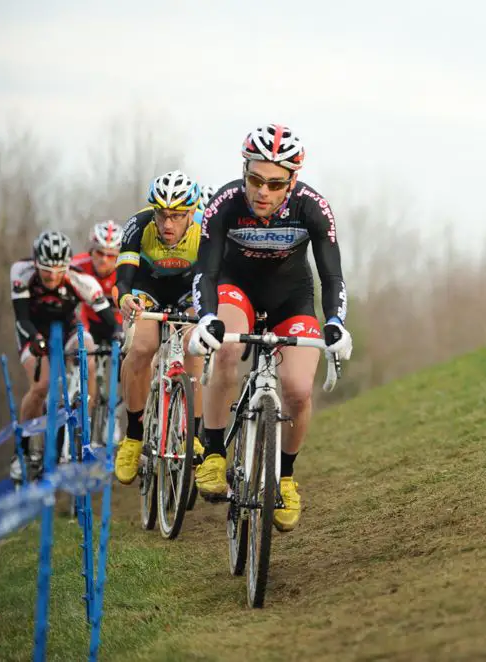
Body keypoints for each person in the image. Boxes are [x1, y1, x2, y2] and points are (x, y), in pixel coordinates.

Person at [188, 123, 353, 532]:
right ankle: (212, 451)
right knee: (225, 349)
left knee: (297, 388)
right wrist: (206, 316)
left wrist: (335, 322)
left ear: (292, 182)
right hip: (234, 288)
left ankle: (285, 477)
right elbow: (204, 271)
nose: (263, 191)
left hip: (291, 298)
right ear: (244, 171)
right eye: (255, 179)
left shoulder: (313, 207)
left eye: (275, 183)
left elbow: (331, 276)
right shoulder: (225, 203)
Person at [112, 170, 206, 485]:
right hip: (146, 288)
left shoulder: (206, 229)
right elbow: (123, 277)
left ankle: (193, 429)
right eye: (162, 215)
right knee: (141, 348)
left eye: (177, 216)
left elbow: (213, 277)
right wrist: (124, 297)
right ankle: (134, 436)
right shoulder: (138, 225)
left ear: (192, 212)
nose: (168, 225)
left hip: (187, 291)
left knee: (196, 343)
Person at [8, 231, 120, 481]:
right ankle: (22, 451)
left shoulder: (80, 280)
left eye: (59, 269)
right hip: (32, 332)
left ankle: (85, 422)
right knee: (42, 385)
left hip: (68, 329)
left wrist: (117, 333)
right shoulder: (21, 272)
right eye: (47, 269)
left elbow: (109, 318)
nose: (53, 275)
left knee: (89, 356)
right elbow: (22, 318)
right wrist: (36, 340)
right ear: (36, 263)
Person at [72, 221, 124, 345]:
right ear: (91, 251)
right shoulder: (77, 265)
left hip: (120, 323)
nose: (103, 259)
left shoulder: (125, 270)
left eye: (111, 256)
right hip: (87, 321)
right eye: (99, 252)